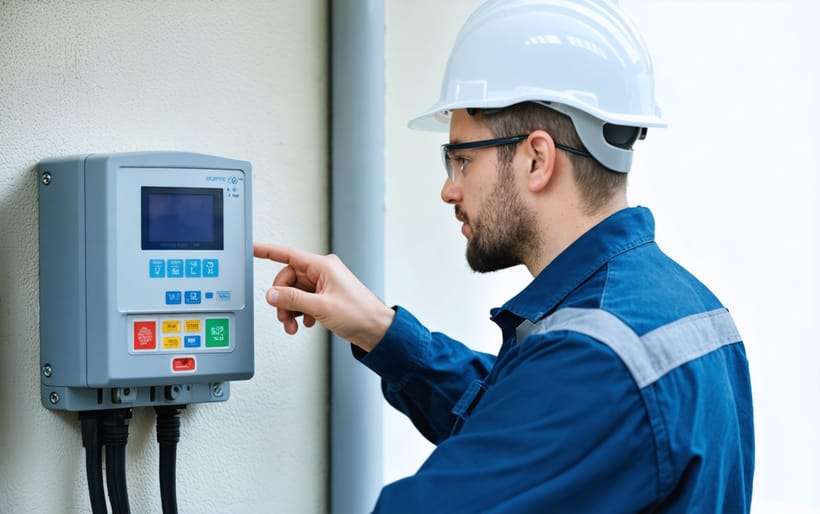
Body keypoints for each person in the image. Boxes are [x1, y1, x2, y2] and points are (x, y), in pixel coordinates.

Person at [255, 0, 755, 512]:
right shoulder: (681, 305)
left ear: (537, 159)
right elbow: (519, 425)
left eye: (462, 160)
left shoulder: (595, 361)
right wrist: (380, 329)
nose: (449, 191)